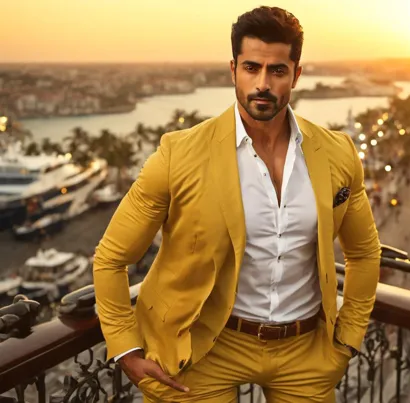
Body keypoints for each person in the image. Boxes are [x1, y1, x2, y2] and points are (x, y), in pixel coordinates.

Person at [93, 6, 381, 402]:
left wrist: (347, 340)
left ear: (296, 74)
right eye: (251, 68)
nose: (262, 83)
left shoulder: (338, 153)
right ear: (233, 70)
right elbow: (111, 258)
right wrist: (125, 348)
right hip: (202, 350)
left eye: (277, 70)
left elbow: (364, 253)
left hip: (305, 353)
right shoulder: (178, 154)